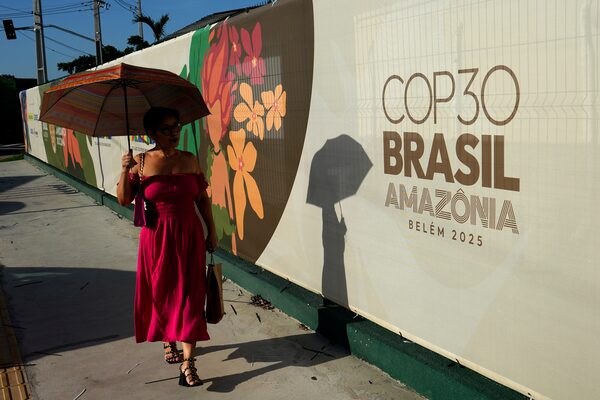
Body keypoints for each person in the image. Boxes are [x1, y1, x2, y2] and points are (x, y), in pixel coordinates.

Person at [117, 107, 217, 387]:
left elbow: (202, 199)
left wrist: (212, 230)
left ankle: (189, 363)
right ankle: (167, 338)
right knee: (162, 292)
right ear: (151, 133)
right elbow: (124, 199)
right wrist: (124, 169)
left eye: (177, 126)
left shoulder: (189, 159)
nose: (174, 132)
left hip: (189, 234)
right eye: (166, 129)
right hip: (156, 236)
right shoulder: (141, 163)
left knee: (191, 295)